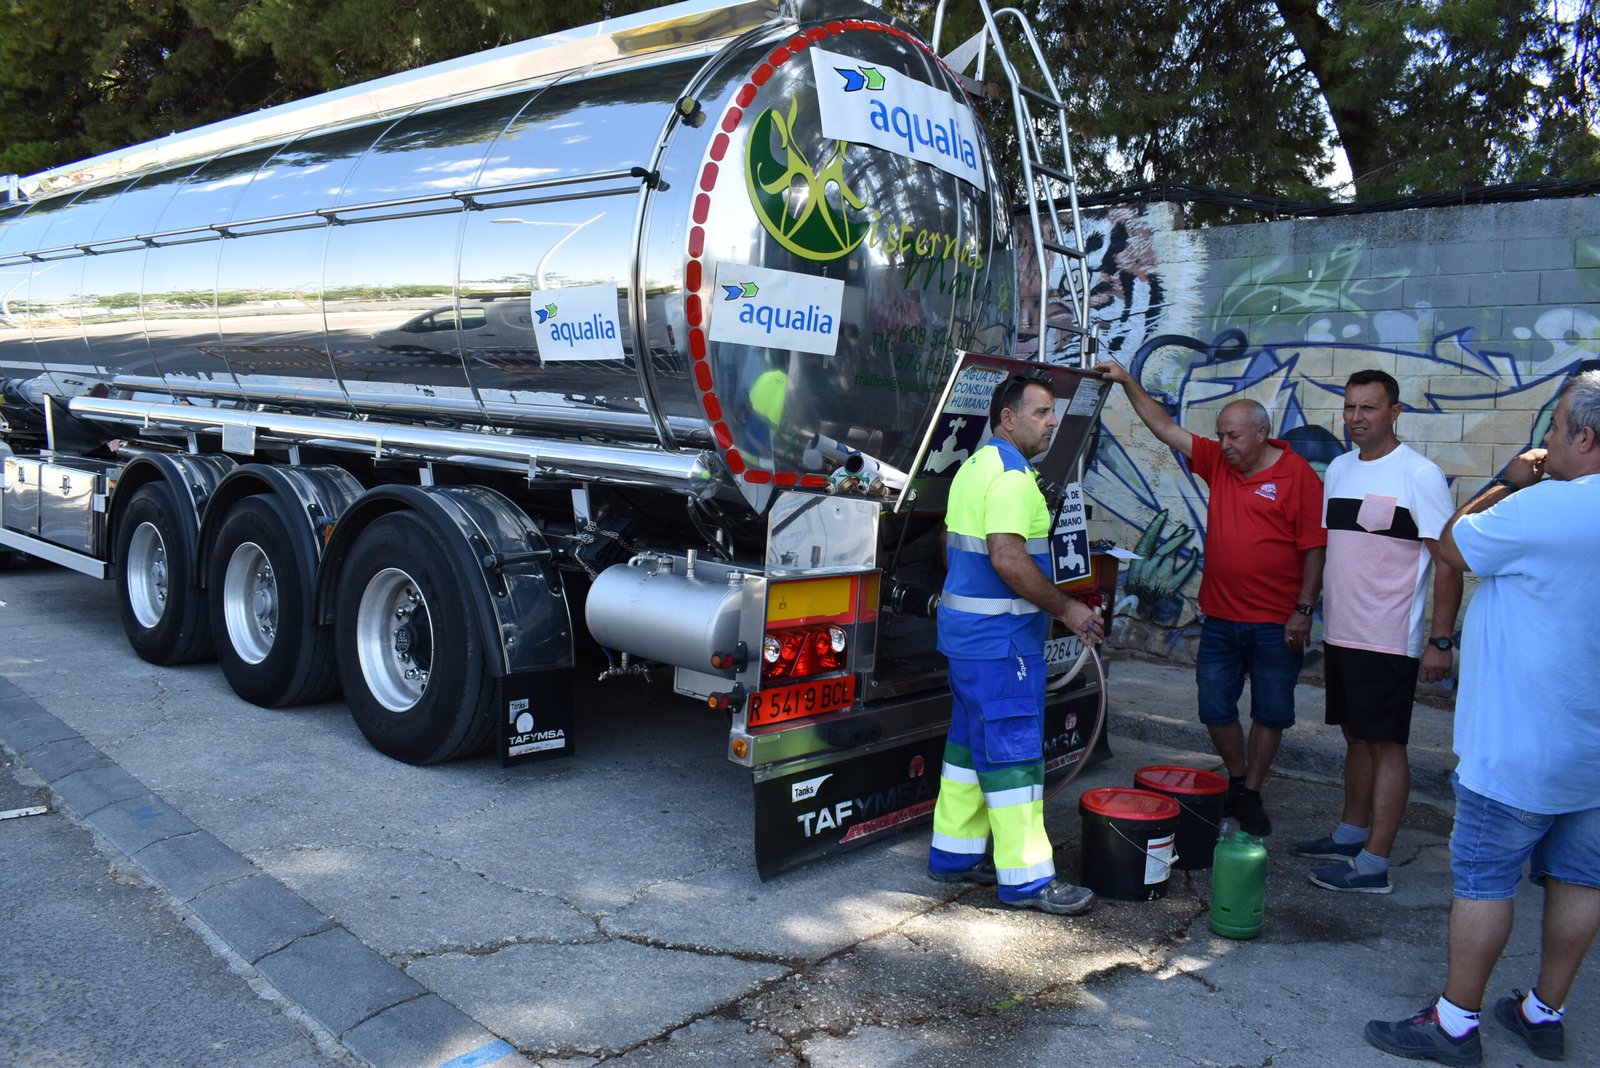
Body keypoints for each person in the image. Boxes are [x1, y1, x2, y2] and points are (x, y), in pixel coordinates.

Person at [1364, 370, 1600, 1066]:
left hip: (1520, 745)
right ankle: (1541, 1011)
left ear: (1585, 438)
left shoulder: (1548, 506)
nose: (1545, 442)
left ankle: (1455, 1022)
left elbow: (1450, 542)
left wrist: (1507, 477)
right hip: (1591, 748)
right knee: (1582, 880)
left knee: (1484, 882)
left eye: (1554, 429)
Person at [1095, 359, 1326, 837]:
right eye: (1220, 435)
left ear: (1261, 434)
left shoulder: (1298, 475)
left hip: (1275, 623)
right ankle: (1238, 780)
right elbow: (1164, 429)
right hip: (1219, 618)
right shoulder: (1219, 463)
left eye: (1234, 436)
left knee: (1271, 711)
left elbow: (1315, 547)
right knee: (1215, 708)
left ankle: (1252, 791)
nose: (1224, 445)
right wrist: (1126, 380)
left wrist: (1303, 610)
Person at [927, 370, 1103, 915]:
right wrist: (1069, 608)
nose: (1052, 423)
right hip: (1002, 646)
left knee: (965, 752)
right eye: (1042, 412)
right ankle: (1028, 880)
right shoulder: (1012, 477)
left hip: (969, 642)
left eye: (1053, 413)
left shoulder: (973, 468)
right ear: (1008, 417)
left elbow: (949, 544)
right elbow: (1006, 557)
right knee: (1014, 760)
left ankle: (954, 856)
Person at [1296, 369, 1462, 893]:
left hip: (1390, 637)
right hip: (1344, 631)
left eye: (1369, 408)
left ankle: (1374, 865)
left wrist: (1440, 640)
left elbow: (1449, 564)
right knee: (1356, 736)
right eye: (1349, 408)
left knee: (1387, 743)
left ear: (1395, 412)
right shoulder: (1340, 469)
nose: (1356, 418)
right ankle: (1350, 832)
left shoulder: (1419, 474)